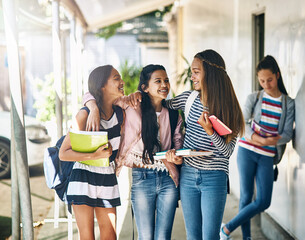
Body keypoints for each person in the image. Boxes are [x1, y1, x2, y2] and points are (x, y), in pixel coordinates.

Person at [83, 64, 184, 240]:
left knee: (163, 237)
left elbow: (179, 148)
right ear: (144, 87)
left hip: (168, 179)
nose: (164, 85)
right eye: (158, 81)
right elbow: (96, 93)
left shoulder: (174, 113)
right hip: (142, 178)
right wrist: (92, 108)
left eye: (166, 80)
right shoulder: (131, 104)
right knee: (145, 237)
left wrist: (176, 157)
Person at [165, 49, 245, 240]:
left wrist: (210, 131)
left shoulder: (229, 107)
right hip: (188, 175)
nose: (192, 76)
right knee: (193, 236)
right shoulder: (188, 99)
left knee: (210, 237)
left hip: (214, 178)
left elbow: (226, 152)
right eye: (191, 71)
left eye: (196, 71)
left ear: (210, 72)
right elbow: (159, 107)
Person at [220, 55, 295, 240]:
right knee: (245, 198)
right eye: (262, 80)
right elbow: (241, 123)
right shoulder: (254, 97)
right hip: (247, 151)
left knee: (263, 201)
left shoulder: (288, 103)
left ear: (277, 75)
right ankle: (247, 238)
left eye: (269, 79)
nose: (266, 84)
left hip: (267, 156)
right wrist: (255, 138)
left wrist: (270, 141)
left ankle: (227, 228)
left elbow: (287, 134)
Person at [59, 65, 123, 240]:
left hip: (108, 176)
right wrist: (95, 156)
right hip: (82, 178)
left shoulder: (121, 114)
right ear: (102, 85)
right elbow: (63, 153)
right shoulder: (84, 115)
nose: (122, 82)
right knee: (87, 237)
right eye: (116, 78)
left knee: (110, 235)